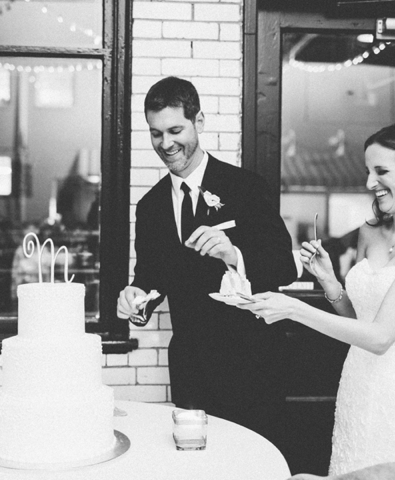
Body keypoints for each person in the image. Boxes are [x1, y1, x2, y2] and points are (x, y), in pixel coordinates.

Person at [238, 120, 395, 478]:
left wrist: (294, 308)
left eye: (382, 170)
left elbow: (382, 337)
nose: (370, 182)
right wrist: (330, 283)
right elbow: (362, 321)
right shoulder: (371, 231)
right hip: (357, 384)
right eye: (368, 171)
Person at [116, 76, 297, 454]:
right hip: (191, 370)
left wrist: (234, 256)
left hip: (253, 364)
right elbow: (149, 278)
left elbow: (285, 266)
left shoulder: (246, 187)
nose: (165, 144)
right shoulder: (149, 208)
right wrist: (135, 301)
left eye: (175, 129)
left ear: (199, 122)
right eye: (155, 133)